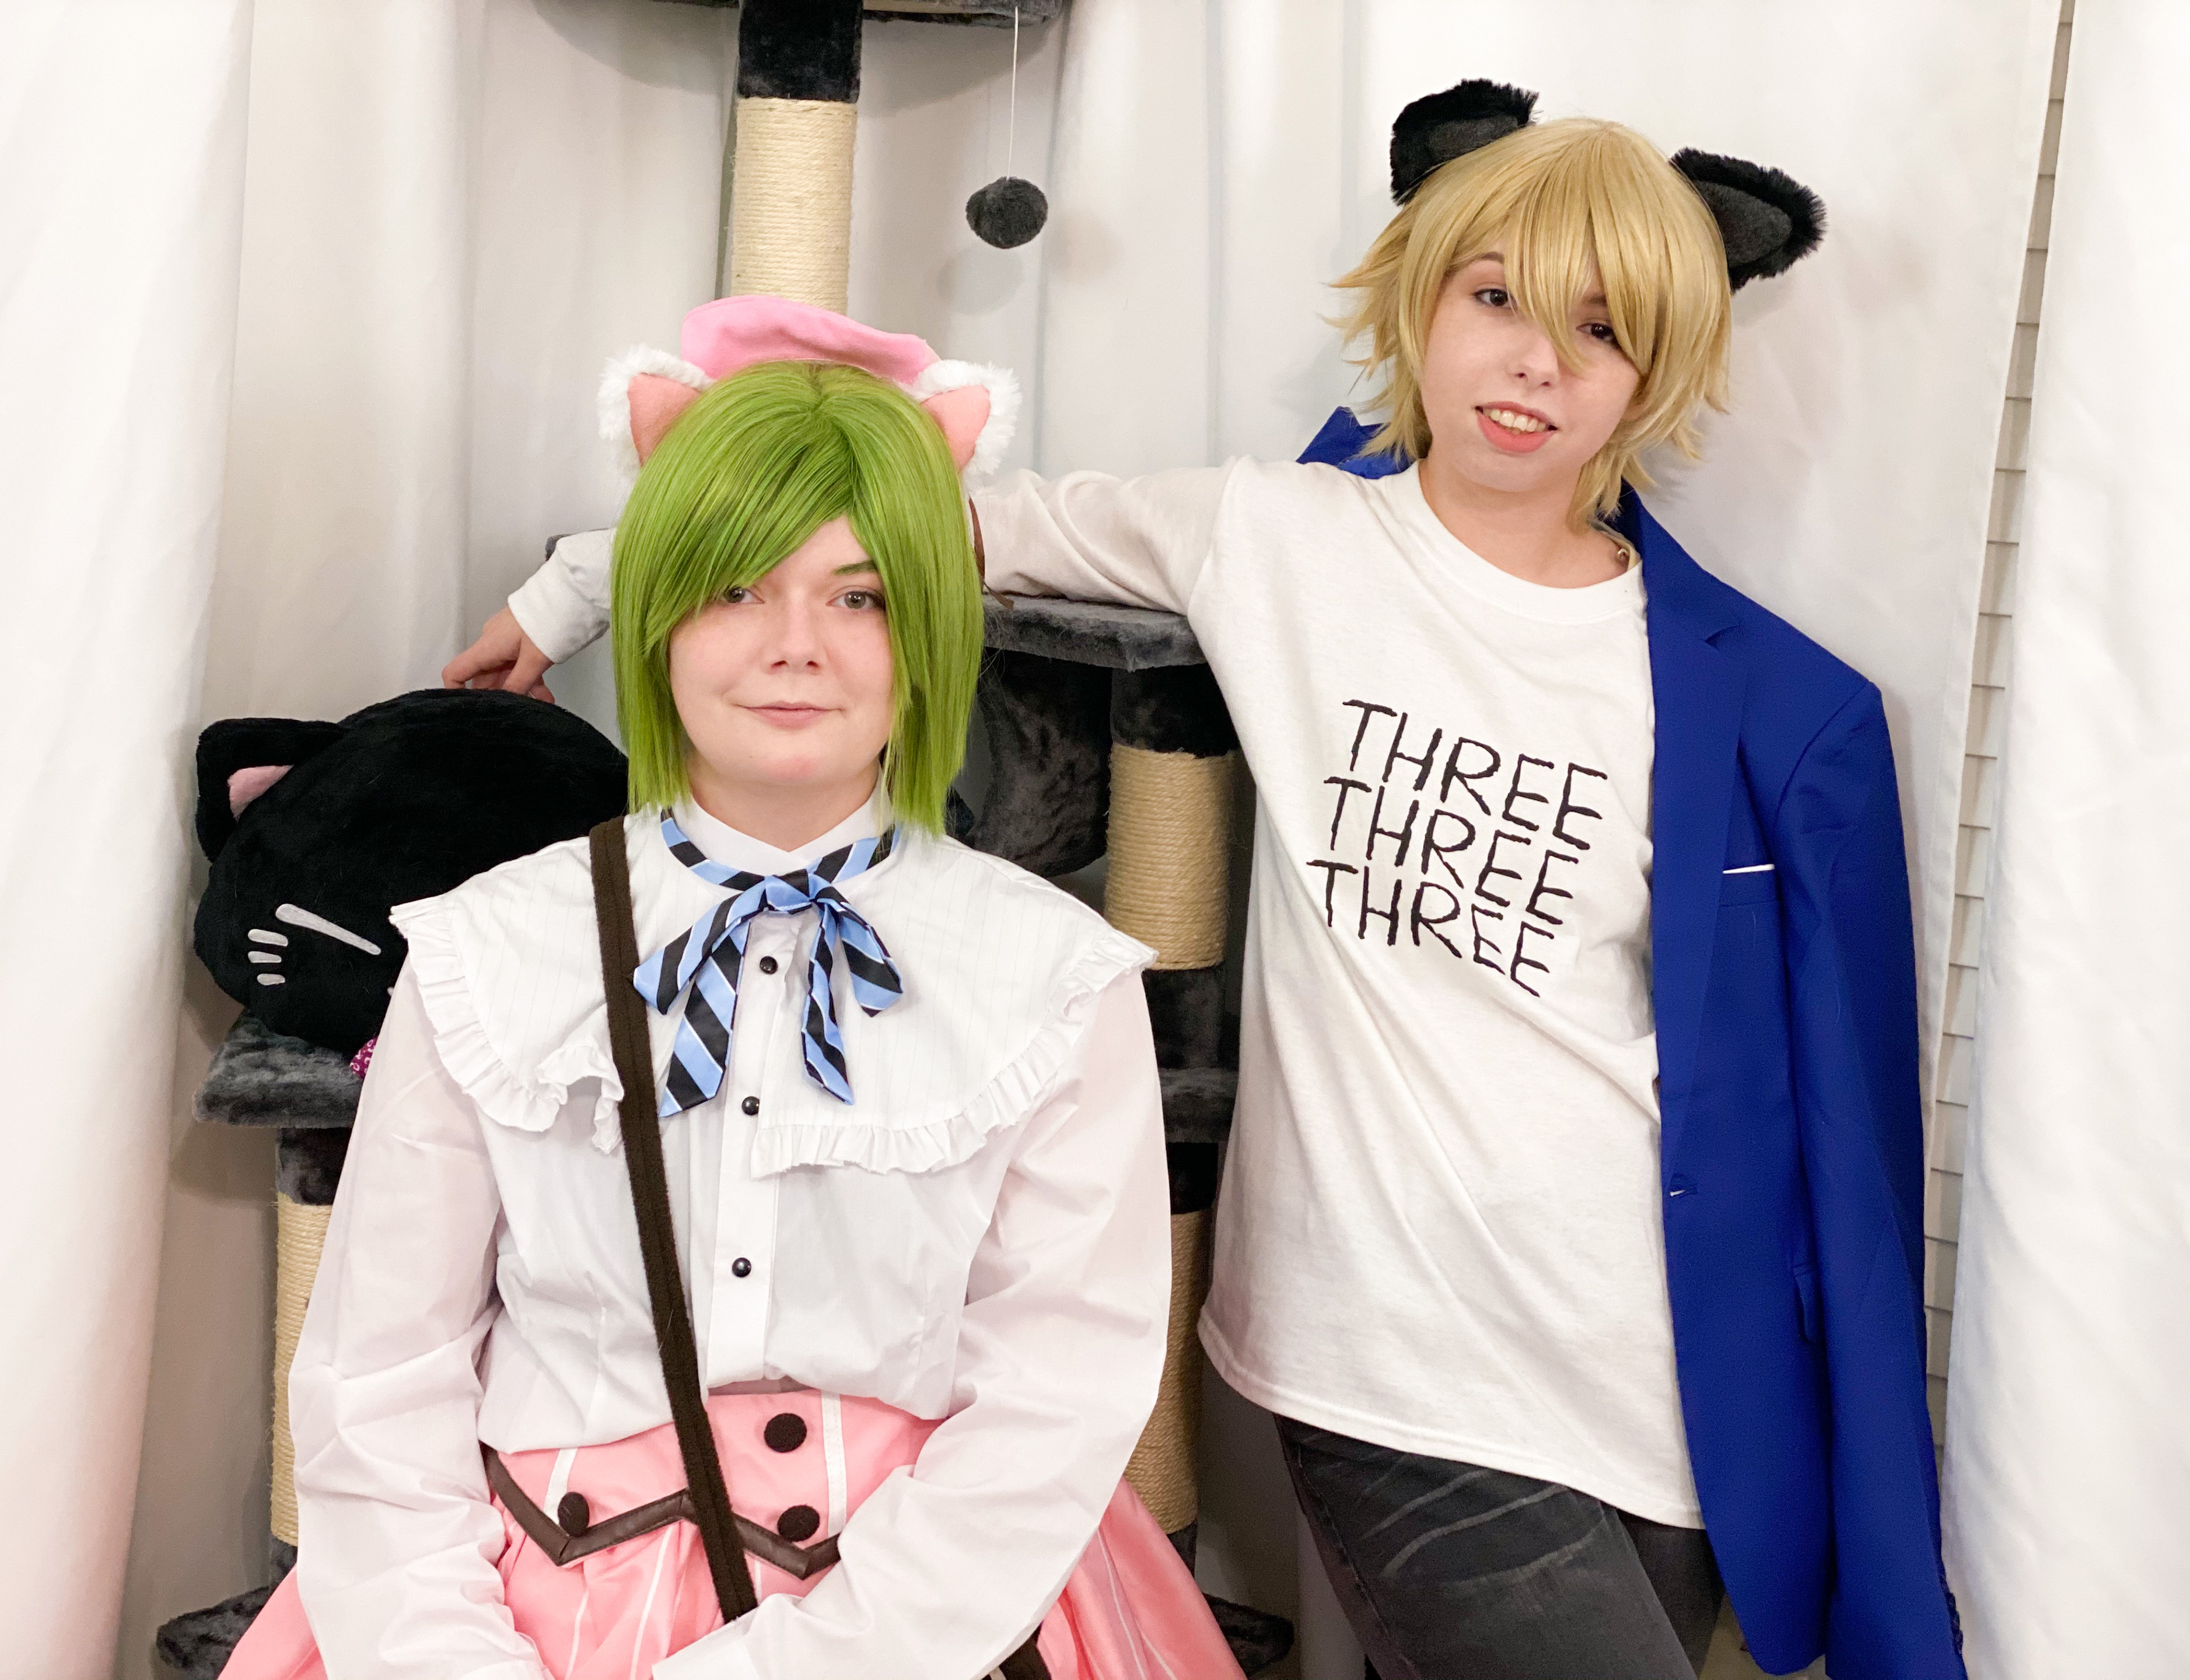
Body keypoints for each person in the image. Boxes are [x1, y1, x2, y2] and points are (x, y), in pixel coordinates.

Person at [449, 100, 1962, 1680]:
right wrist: (572, 588)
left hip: (1658, 1390)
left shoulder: (1747, 693)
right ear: (1420, 296)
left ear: (1661, 369)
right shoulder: (1273, 538)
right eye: (1497, 297)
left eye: (1603, 329)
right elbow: (878, 535)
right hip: (1396, 1368)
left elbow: (1818, 1127)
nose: (1536, 363)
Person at [225, 318, 1240, 1680]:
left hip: (930, 1623)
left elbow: (1058, 1398)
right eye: (737, 590)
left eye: (861, 598)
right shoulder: (488, 951)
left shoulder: (1051, 976)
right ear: (656, 617)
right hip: (516, 1616)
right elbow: (377, 1382)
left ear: (932, 631)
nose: (796, 646)